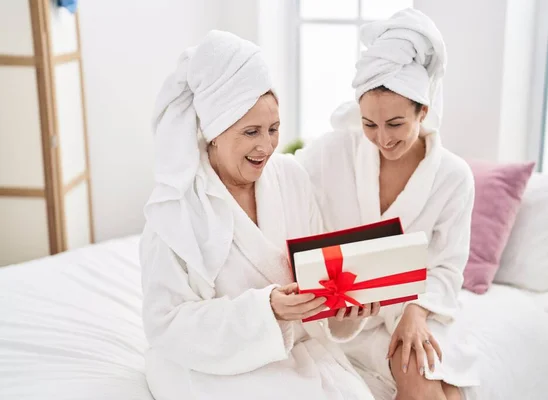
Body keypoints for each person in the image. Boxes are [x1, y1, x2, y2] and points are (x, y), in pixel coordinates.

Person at [139, 30, 377, 400]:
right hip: (207, 363)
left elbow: (317, 272)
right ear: (214, 132)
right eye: (251, 132)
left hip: (292, 348)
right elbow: (165, 324)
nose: (265, 146)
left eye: (273, 129)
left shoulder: (291, 177)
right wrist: (266, 311)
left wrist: (345, 310)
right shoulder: (176, 208)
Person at [296, 9, 479, 400]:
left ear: (423, 111)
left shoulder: (453, 176)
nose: (382, 139)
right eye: (369, 124)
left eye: (396, 124)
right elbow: (279, 186)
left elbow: (448, 266)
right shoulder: (331, 152)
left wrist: (417, 311)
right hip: (348, 315)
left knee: (421, 371)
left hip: (417, 308)